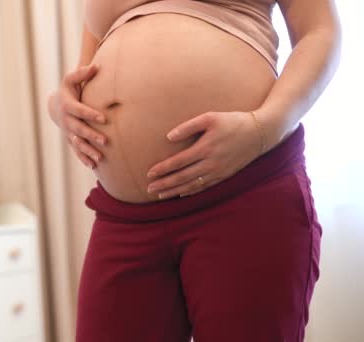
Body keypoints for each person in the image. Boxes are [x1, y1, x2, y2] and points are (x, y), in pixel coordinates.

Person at [47, 0, 341, 341]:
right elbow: (86, 69)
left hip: (242, 195)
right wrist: (60, 107)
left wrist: (264, 126)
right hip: (126, 219)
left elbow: (321, 31)